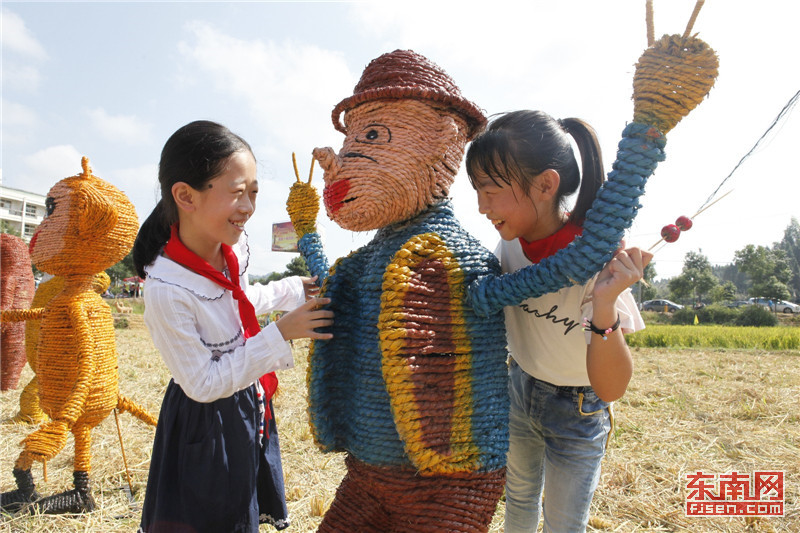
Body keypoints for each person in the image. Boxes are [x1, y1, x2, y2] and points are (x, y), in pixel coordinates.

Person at [132, 120, 334, 533]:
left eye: (254, 192)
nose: (248, 207)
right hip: (204, 426)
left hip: (247, 402)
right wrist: (281, 334)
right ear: (186, 195)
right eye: (238, 193)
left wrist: (295, 288)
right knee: (213, 517)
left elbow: (239, 303)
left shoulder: (234, 247)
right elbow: (203, 383)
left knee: (242, 509)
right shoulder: (167, 288)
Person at [465, 110, 651, 533]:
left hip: (579, 409)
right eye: (477, 191)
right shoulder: (505, 249)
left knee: (565, 523)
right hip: (520, 388)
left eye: (491, 190)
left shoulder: (593, 259)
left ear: (546, 185)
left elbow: (612, 387)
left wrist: (604, 303)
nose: (481, 206)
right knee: (519, 500)